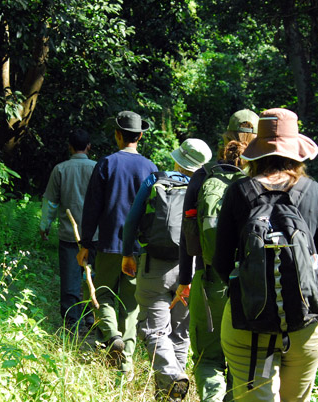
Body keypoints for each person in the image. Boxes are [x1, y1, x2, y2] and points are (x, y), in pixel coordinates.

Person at [212, 108, 318, 401]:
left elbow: (221, 261)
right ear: (297, 151)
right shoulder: (317, 194)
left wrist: (251, 289)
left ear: (257, 150)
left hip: (248, 324)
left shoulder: (237, 192)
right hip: (306, 324)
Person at [173, 109, 259, 402]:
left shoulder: (201, 178)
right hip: (249, 285)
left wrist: (184, 280)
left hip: (209, 280)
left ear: (225, 138)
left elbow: (188, 237)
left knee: (208, 358)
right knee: (240, 358)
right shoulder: (261, 180)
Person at [122, 138, 213, 402]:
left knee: (154, 330)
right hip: (191, 269)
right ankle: (173, 392)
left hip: (154, 267)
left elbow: (131, 221)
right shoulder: (206, 187)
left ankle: (172, 379)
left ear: (178, 158)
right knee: (180, 332)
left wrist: (128, 254)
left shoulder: (155, 180)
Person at [76, 110, 157, 378]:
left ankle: (112, 336)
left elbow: (92, 208)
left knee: (102, 293)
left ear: (117, 135)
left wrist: (85, 243)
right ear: (141, 136)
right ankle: (127, 364)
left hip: (109, 244)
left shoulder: (106, 164)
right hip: (138, 248)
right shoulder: (151, 168)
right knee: (132, 305)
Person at [39, 128, 97, 332]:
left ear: (70, 147)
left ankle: (72, 322)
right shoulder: (98, 168)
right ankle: (93, 316)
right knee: (94, 276)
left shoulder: (60, 169)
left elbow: (51, 203)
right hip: (95, 236)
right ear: (89, 147)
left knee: (70, 278)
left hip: (69, 235)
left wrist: (44, 226)